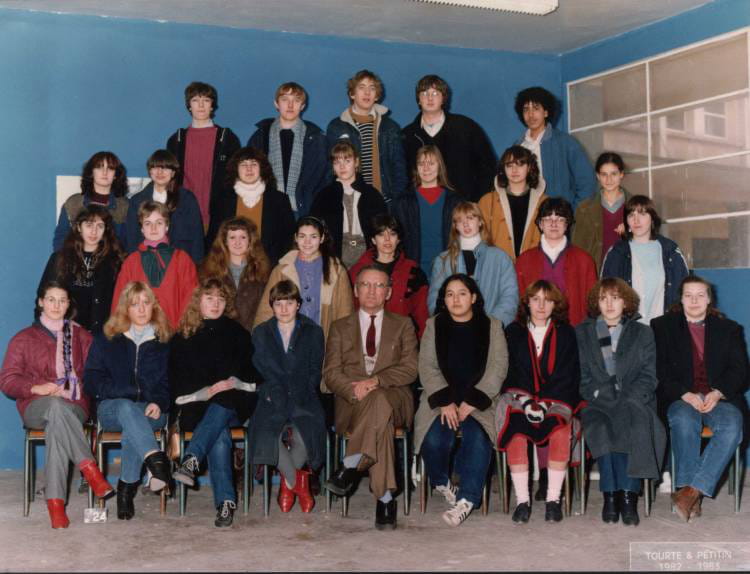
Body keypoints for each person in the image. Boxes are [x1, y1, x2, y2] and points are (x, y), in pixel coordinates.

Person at [0, 281, 114, 529]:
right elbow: (7, 380)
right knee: (54, 406)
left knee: (58, 420)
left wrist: (81, 386)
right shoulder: (23, 338)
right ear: (41, 302)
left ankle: (56, 504)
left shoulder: (82, 337)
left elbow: (97, 373)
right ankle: (90, 470)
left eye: (62, 300)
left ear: (68, 305)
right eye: (51, 299)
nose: (56, 305)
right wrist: (35, 388)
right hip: (35, 406)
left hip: (74, 405)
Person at [323, 265, 418, 530]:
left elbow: (410, 368)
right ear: (355, 290)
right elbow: (331, 372)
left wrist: (375, 381)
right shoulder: (339, 327)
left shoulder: (403, 325)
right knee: (380, 420)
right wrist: (353, 389)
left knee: (380, 400)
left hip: (395, 397)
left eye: (379, 285)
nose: (372, 291)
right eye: (365, 284)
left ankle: (351, 464)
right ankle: (385, 499)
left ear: (388, 292)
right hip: (352, 403)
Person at [651, 276, 747, 522]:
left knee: (732, 425)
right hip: (680, 397)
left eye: (700, 295)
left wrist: (718, 392)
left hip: (720, 399)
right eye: (688, 295)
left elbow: (740, 371)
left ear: (709, 299)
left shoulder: (729, 328)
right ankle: (692, 495)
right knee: (684, 421)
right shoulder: (662, 326)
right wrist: (684, 393)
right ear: (680, 299)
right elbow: (658, 370)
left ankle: (690, 492)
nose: (694, 300)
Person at [415, 274, 507, 527]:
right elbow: (427, 366)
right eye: (450, 294)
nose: (456, 299)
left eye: (462, 293)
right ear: (444, 300)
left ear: (474, 297)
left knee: (477, 438)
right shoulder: (435, 325)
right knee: (433, 440)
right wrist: (445, 401)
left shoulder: (492, 326)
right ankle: (442, 483)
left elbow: (498, 368)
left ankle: (466, 500)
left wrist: (472, 401)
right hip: (441, 401)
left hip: (479, 402)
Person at [576, 278, 666, 526]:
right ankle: (610, 495)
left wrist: (628, 397)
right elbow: (582, 377)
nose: (609, 304)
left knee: (631, 422)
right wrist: (599, 393)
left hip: (634, 400)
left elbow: (649, 376)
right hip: (598, 402)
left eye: (615, 298)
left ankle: (628, 496)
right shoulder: (583, 332)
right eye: (603, 298)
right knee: (601, 428)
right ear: (596, 303)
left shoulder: (643, 332)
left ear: (625, 302)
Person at [169, 278, 258, 527]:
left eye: (221, 298)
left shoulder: (238, 333)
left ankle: (191, 459)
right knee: (219, 433)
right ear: (198, 301)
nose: (216, 303)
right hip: (195, 407)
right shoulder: (182, 337)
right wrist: (205, 392)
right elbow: (177, 387)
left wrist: (233, 382)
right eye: (209, 298)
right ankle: (226, 504)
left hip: (232, 404)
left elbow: (252, 378)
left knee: (224, 400)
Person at [83, 281, 173, 521]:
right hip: (112, 408)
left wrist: (159, 402)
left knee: (134, 424)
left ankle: (126, 489)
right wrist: (122, 390)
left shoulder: (164, 342)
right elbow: (91, 380)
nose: (141, 309)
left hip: (151, 410)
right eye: (134, 304)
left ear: (154, 306)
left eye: (146, 303)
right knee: (126, 407)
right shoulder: (106, 339)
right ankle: (156, 461)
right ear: (125, 308)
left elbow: (170, 384)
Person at [496, 280, 581, 523]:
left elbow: (568, 374)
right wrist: (526, 402)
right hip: (519, 398)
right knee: (515, 429)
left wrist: (544, 404)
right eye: (536, 299)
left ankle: (553, 500)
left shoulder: (566, 333)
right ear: (527, 303)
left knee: (560, 429)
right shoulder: (514, 331)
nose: (541, 305)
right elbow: (511, 371)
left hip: (556, 399)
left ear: (556, 304)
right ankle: (522, 501)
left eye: (548, 300)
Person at [250, 280, 327, 514]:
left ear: (298, 305)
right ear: (271, 306)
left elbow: (315, 370)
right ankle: (298, 483)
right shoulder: (261, 333)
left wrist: (303, 390)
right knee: (265, 434)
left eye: (289, 303)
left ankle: (287, 484)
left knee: (307, 435)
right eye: (278, 303)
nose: (284, 309)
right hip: (272, 398)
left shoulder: (313, 331)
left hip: (304, 396)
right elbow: (259, 371)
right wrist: (270, 393)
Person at [254, 216, 353, 341]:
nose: (307, 242)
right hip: (286, 342)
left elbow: (345, 315)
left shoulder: (336, 271)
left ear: (322, 238)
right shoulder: (281, 270)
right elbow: (266, 311)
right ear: (296, 238)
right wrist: (259, 341)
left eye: (313, 237)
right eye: (302, 236)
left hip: (322, 343)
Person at [402, 74, 496, 202]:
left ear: (444, 98)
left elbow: (488, 168)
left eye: (435, 93)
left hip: (462, 208)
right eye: (424, 93)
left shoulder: (466, 128)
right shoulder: (407, 135)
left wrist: (473, 203)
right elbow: (402, 177)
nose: (430, 98)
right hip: (422, 208)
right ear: (418, 99)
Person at [427, 202, 518, 328]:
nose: (465, 224)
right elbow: (435, 301)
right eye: (460, 220)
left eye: (470, 218)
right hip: (454, 331)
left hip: (492, 329)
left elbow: (509, 298)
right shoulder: (442, 261)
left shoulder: (501, 258)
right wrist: (453, 326)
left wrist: (491, 326)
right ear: (455, 226)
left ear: (480, 222)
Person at [601, 195, 689, 324]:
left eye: (642, 214)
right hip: (628, 330)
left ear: (652, 218)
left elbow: (685, 292)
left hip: (663, 329)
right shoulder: (616, 253)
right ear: (626, 221)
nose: (636, 220)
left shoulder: (671, 250)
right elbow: (605, 295)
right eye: (631, 215)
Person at [167, 81, 241, 235]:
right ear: (189, 106)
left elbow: (235, 179)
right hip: (184, 216)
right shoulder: (176, 140)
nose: (201, 105)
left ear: (212, 105)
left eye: (206, 100)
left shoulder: (227, 139)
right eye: (195, 100)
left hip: (219, 217)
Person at [247, 81, 329, 217]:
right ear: (276, 104)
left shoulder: (316, 138)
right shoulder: (261, 136)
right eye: (285, 99)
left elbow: (324, 179)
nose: (290, 105)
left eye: (296, 100)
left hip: (305, 211)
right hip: (268, 208)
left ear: (302, 106)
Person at [326, 69, 407, 204]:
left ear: (377, 96)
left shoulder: (390, 127)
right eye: (361, 87)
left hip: (384, 202)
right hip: (349, 201)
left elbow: (399, 168)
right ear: (352, 94)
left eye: (372, 88)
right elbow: (329, 167)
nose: (367, 92)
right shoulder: (336, 127)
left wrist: (395, 199)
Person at [112, 201, 198, 329]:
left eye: (159, 223)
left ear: (167, 226)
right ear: (142, 228)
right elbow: (120, 301)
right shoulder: (131, 262)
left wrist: (183, 331)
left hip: (174, 330)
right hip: (138, 332)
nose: (153, 228)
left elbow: (191, 299)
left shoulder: (182, 259)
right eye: (148, 223)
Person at [39, 205, 124, 334]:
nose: (94, 232)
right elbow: (43, 296)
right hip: (64, 332)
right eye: (89, 225)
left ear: (105, 230)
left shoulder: (115, 261)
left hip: (101, 334)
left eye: (100, 226)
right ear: (79, 227)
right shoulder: (60, 258)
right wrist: (44, 332)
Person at [207, 146, 295, 267]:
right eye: (243, 164)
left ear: (262, 169)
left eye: (254, 164)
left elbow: (288, 240)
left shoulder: (279, 200)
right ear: (236, 169)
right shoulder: (222, 200)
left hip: (269, 267)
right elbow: (214, 238)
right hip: (229, 267)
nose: (249, 169)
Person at [515, 197, 597, 326]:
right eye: (548, 219)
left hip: (573, 331)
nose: (554, 224)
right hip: (534, 331)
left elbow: (593, 306)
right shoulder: (524, 260)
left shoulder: (584, 260)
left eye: (560, 219)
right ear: (540, 224)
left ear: (567, 224)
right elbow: (519, 304)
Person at [349, 214, 429, 339]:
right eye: (381, 234)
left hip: (403, 339)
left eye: (392, 234)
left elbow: (421, 314)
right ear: (373, 240)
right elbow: (349, 311)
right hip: (365, 339)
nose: (387, 240)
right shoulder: (356, 271)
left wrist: (420, 343)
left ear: (398, 239)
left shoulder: (413, 271)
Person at [514, 87, 595, 209]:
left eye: (536, 108)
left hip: (558, 215)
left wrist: (572, 213)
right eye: (526, 109)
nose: (530, 114)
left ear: (546, 112)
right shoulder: (517, 148)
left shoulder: (565, 142)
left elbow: (587, 182)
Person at [309, 141, 387, 267]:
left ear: (356, 162)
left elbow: (383, 231)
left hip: (366, 255)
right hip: (335, 256)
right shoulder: (324, 196)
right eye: (337, 162)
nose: (342, 166)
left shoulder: (372, 195)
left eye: (347, 161)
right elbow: (314, 229)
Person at [391, 145, 463, 274]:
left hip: (447, 268)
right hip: (414, 270)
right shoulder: (403, 202)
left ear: (440, 166)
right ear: (416, 168)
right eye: (421, 164)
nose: (426, 168)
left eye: (431, 163)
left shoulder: (455, 201)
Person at [126, 149, 204, 263]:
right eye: (155, 167)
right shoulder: (136, 201)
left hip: (180, 263)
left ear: (173, 173)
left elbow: (197, 237)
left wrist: (195, 264)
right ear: (150, 171)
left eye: (165, 168)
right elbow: (131, 239)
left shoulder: (187, 199)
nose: (160, 172)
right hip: (146, 262)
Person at [200, 216, 271, 332]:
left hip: (253, 334)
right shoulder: (208, 271)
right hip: (218, 334)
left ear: (250, 241)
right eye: (232, 237)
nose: (237, 242)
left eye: (243, 237)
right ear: (225, 241)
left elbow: (266, 309)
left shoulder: (263, 272)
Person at [478, 145, 546, 261]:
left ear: (529, 167)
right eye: (509, 165)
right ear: (503, 169)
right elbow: (480, 240)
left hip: (533, 266)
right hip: (497, 266)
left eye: (520, 164)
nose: (514, 170)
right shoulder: (487, 202)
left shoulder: (544, 202)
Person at [53, 151, 129, 251]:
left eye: (110, 168)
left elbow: (128, 243)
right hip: (76, 259)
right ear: (91, 172)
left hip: (113, 259)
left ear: (116, 175)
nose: (105, 172)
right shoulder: (74, 203)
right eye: (99, 167)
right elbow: (60, 240)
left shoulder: (125, 206)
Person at [572, 152, 630, 272]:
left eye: (613, 174)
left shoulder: (636, 208)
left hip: (629, 274)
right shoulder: (584, 209)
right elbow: (577, 251)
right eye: (604, 174)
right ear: (598, 176)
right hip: (597, 276)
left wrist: (630, 231)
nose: (609, 179)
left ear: (621, 174)